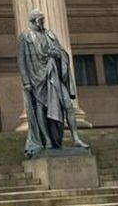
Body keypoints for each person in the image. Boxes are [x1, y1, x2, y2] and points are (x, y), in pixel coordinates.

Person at [18, 9, 87, 158]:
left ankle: (76, 138)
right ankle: (47, 140)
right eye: (41, 19)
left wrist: (58, 54)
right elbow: (21, 61)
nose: (43, 22)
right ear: (33, 20)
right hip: (37, 79)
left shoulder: (49, 34)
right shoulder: (25, 37)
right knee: (41, 110)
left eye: (43, 19)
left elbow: (62, 52)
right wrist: (26, 81)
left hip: (53, 76)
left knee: (68, 105)